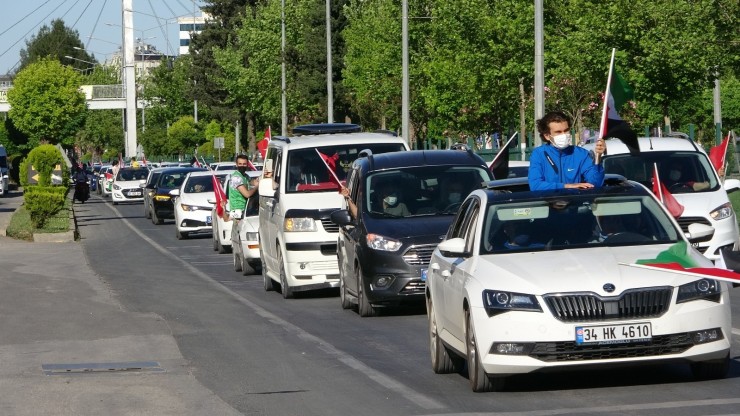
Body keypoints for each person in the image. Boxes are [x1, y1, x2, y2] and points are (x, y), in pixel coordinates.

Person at [528, 111, 605, 190]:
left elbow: (595, 184)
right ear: (547, 136)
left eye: (566, 130)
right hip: (549, 201)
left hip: (575, 201)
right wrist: (567, 186)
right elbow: (535, 186)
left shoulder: (581, 154)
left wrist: (598, 159)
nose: (564, 135)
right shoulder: (539, 154)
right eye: (558, 132)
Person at [227, 154, 260, 221]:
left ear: (247, 164)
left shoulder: (245, 176)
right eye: (240, 164)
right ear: (236, 164)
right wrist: (257, 187)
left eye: (244, 164)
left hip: (245, 209)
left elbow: (254, 182)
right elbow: (247, 194)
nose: (242, 166)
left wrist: (263, 177)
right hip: (237, 212)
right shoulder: (236, 178)